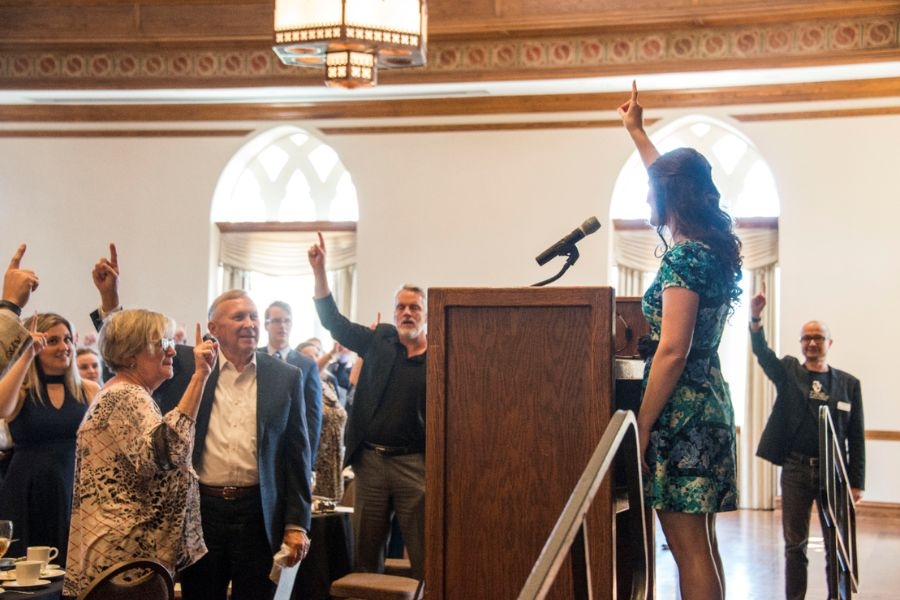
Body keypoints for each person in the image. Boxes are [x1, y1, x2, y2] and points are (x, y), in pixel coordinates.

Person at [90, 244, 313, 600]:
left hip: (259, 512)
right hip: (200, 511)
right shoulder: (185, 365)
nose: (250, 324)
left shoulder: (285, 377)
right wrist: (110, 300)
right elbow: (126, 351)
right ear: (213, 327)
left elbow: (297, 454)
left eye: (254, 317)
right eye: (239, 318)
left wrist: (297, 523)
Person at [619, 81, 742, 600]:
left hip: (681, 413)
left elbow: (672, 350)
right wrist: (637, 132)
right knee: (703, 546)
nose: (648, 196)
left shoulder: (684, 258)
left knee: (689, 549)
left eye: (654, 191)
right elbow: (665, 175)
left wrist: (642, 426)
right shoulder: (707, 249)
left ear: (671, 197)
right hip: (708, 403)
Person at [63, 315, 217, 597]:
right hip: (127, 555)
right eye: (162, 343)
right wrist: (199, 377)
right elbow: (167, 453)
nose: (172, 350)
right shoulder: (127, 395)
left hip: (120, 551)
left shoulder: (120, 392)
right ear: (130, 354)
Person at [308, 232, 427, 580]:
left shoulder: (440, 355)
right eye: (401, 307)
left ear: (426, 314)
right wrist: (320, 270)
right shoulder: (379, 341)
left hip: (415, 465)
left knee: (425, 553)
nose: (407, 313)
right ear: (393, 313)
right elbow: (333, 321)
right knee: (365, 555)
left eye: (415, 308)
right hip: (371, 463)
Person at [750, 284, 865, 600]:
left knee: (836, 542)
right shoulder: (789, 372)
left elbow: (856, 437)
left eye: (818, 337)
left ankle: (837, 596)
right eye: (806, 338)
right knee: (795, 545)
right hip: (796, 470)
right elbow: (762, 353)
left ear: (829, 343)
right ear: (801, 343)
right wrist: (756, 319)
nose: (812, 342)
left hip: (835, 474)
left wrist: (857, 483)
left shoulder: (849, 385)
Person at [0, 312, 100, 566]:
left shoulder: (88, 390)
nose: (64, 347)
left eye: (67, 339)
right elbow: (1, 408)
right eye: (53, 341)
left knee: (71, 564)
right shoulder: (22, 391)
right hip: (28, 489)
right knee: (25, 566)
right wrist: (27, 354)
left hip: (74, 486)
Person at [261, 300, 323, 463]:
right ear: (266, 325)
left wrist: (308, 460)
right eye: (276, 321)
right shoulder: (254, 358)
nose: (282, 326)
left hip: (293, 448)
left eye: (286, 321)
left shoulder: (307, 365)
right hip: (258, 447)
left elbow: (313, 416)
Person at [298, 341, 347, 500]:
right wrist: (331, 354)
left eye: (317, 355)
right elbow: (311, 370)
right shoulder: (300, 384)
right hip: (315, 461)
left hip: (334, 460)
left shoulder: (329, 384)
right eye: (308, 357)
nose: (314, 359)